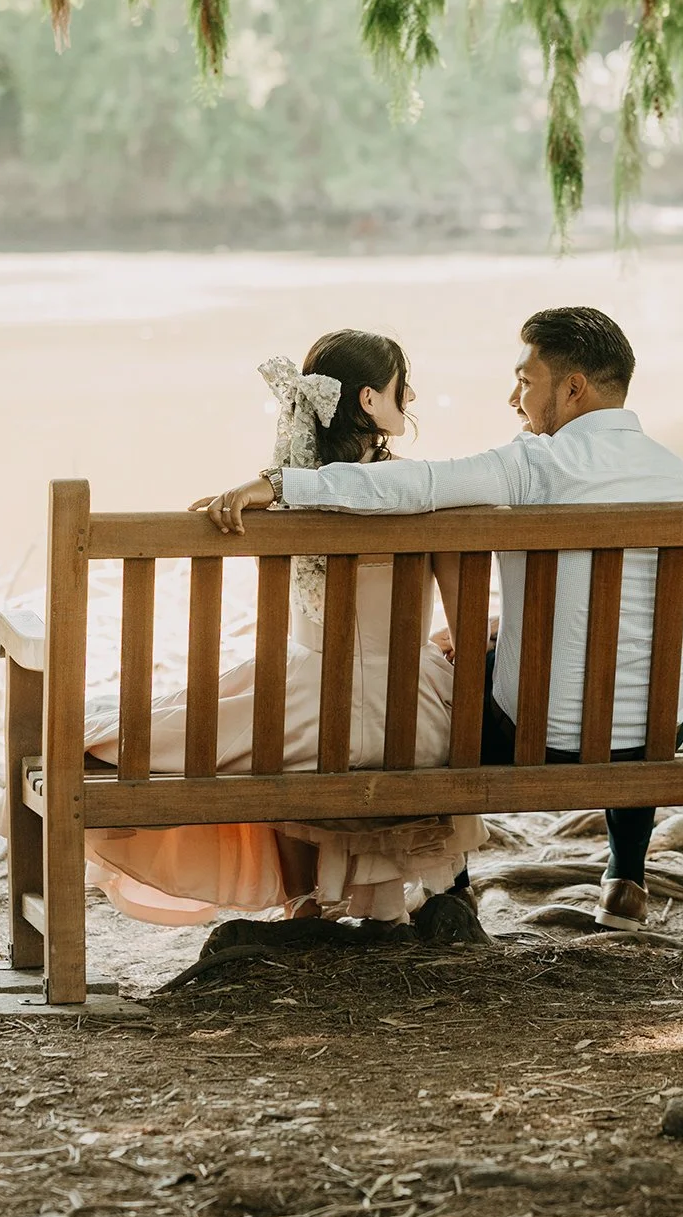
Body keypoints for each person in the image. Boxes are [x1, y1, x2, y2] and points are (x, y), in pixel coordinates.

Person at [208, 306, 683, 931]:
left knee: (443, 691)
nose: (513, 397)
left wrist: (280, 485)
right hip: (659, 733)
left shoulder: (535, 466)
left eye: (525, 380)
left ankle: (455, 889)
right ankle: (626, 879)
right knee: (632, 677)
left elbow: (411, 485)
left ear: (572, 388)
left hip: (541, 735)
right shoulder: (681, 479)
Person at [82, 330, 484, 929]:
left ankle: (305, 899)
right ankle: (447, 891)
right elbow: (466, 632)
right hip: (421, 724)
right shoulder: (430, 493)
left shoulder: (281, 497)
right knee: (383, 703)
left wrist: (270, 481)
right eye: (404, 384)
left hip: (299, 724)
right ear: (371, 400)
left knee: (113, 731)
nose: (412, 396)